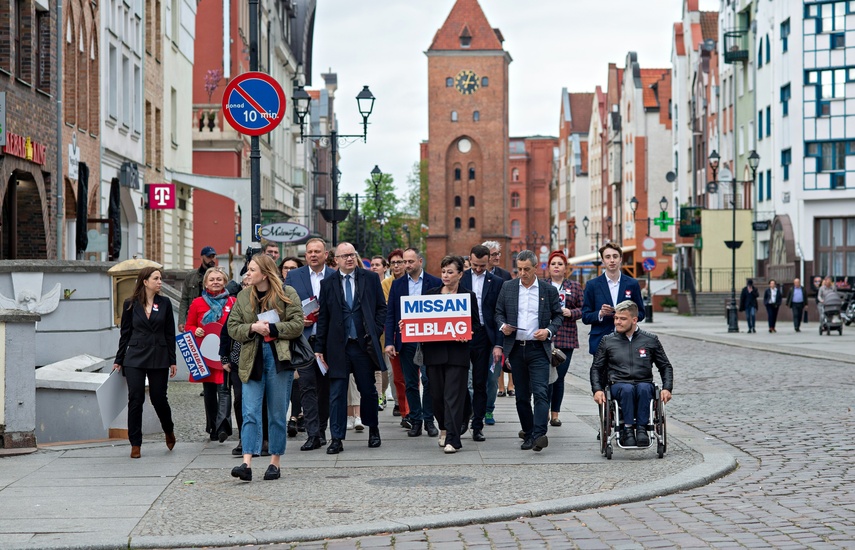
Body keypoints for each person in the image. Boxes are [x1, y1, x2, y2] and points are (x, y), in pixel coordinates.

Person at [227, 254, 304, 482]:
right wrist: (252, 327)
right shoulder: (242, 296)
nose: (247, 274)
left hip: (278, 358)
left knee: (277, 413)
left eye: (252, 270)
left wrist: (271, 328)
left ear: (264, 272)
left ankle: (275, 462)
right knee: (249, 411)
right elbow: (232, 327)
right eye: (248, 270)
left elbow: (297, 325)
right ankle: (246, 462)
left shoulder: (287, 294)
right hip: (251, 358)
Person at [314, 242, 387, 454]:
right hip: (338, 347)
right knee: (336, 393)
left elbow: (381, 308)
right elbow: (324, 317)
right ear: (335, 260)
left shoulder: (370, 279)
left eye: (352, 255)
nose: (349, 259)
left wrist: (375, 330)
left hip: (363, 346)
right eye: (344, 256)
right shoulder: (328, 283)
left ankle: (373, 429)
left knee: (368, 391)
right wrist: (319, 347)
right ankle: (336, 438)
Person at [494, 250, 563, 452]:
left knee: (541, 392)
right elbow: (498, 313)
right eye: (519, 269)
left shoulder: (547, 290)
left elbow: (558, 316)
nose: (522, 273)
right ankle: (529, 431)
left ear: (535, 268)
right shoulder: (508, 288)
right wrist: (503, 326)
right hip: (516, 348)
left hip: (538, 349)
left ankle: (539, 434)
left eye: (526, 269)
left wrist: (548, 331)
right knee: (522, 396)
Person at [112, 267, 177, 459]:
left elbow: (170, 334)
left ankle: (168, 429)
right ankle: (135, 443)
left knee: (159, 398)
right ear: (145, 281)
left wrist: (172, 361)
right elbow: (125, 333)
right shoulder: (130, 304)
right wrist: (119, 359)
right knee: (136, 398)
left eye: (160, 278)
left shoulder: (164, 303)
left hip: (159, 356)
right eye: (156, 278)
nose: (160, 282)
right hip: (135, 357)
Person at [590, 300, 673, 448]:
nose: (617, 322)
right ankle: (627, 429)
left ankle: (642, 429)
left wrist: (667, 388)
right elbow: (596, 368)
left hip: (644, 383)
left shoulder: (650, 340)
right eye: (616, 318)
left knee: (643, 388)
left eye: (622, 319)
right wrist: (597, 390)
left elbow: (665, 366)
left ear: (634, 320)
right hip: (619, 384)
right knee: (627, 389)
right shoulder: (608, 341)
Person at [422, 256, 480, 453]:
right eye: (443, 272)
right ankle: (445, 428)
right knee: (437, 397)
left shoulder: (468, 296)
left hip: (457, 354)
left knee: (452, 396)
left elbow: (476, 324)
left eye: (450, 272)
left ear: (460, 274)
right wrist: (408, 325)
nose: (445, 276)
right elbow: (420, 321)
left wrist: (468, 333)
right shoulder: (430, 295)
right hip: (434, 353)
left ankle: (454, 440)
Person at [385, 248, 442, 438]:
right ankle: (415, 421)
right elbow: (391, 314)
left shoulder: (434, 282)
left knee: (429, 381)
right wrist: (389, 342)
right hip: (406, 340)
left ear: (420, 261)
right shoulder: (398, 284)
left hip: (429, 340)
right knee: (410, 382)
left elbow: (440, 312)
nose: (406, 265)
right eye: (404, 262)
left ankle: (429, 420)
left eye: (410, 262)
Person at [285, 238, 335, 451]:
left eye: (317, 251)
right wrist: (297, 320)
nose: (313, 255)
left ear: (325, 255)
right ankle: (313, 434)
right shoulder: (294, 276)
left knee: (325, 389)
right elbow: (284, 305)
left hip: (327, 342)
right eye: (309, 252)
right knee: (306, 387)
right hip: (302, 340)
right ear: (305, 255)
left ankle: (322, 430)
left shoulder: (334, 276)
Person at [184, 267, 236, 442]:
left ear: (225, 282)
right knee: (209, 392)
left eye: (219, 279)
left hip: (224, 353)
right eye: (212, 279)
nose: (215, 282)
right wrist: (195, 329)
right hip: (205, 353)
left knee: (224, 389)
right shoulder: (198, 303)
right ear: (205, 283)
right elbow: (188, 325)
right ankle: (212, 426)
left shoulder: (233, 302)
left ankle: (223, 427)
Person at [462, 244, 501, 437]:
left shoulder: (496, 282)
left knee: (480, 382)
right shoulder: (460, 278)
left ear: (489, 262)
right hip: (461, 335)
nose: (478, 269)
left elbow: (499, 315)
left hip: (484, 336)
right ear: (469, 260)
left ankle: (477, 425)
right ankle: (462, 419)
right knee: (460, 381)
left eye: (482, 266)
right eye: (475, 265)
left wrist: (498, 343)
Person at [581, 243, 645, 355]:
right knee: (601, 372)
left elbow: (641, 313)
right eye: (608, 257)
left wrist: (628, 318)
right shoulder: (592, 285)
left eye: (615, 256)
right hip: (601, 340)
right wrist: (600, 314)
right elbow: (585, 316)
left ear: (620, 259)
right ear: (603, 260)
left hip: (627, 340)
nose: (612, 260)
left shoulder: (632, 284)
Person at [543, 251, 583, 427]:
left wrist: (571, 312)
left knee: (559, 377)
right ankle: (542, 411)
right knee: (545, 377)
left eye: (560, 264)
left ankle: (555, 414)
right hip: (545, 337)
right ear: (548, 267)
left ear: (565, 268)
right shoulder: (542, 286)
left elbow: (584, 309)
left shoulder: (574, 287)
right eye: (553, 264)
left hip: (566, 338)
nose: (557, 267)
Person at [218, 274, 255, 456]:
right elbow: (225, 332)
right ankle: (244, 438)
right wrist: (224, 358)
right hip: (237, 360)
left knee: (259, 401)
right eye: (246, 283)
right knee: (240, 399)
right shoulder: (237, 305)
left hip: (259, 358)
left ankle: (263, 438)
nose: (248, 285)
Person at [381, 249, 410, 423]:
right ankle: (403, 407)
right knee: (396, 375)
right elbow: (387, 310)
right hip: (394, 334)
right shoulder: (387, 284)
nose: (397, 266)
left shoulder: (413, 282)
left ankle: (410, 407)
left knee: (413, 376)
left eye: (400, 262)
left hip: (413, 334)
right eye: (394, 263)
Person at [278, 256, 305, 436]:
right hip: (280, 338)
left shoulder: (300, 287)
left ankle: (295, 416)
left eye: (293, 268)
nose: (288, 271)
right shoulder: (276, 287)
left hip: (301, 338)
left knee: (297, 379)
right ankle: (293, 416)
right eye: (286, 267)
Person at [179, 246, 218, 332]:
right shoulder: (191, 276)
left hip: (214, 318)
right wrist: (181, 321)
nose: (212, 260)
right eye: (209, 257)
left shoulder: (219, 277)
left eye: (213, 257)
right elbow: (184, 299)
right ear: (201, 258)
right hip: (194, 318)